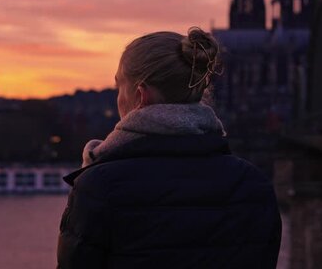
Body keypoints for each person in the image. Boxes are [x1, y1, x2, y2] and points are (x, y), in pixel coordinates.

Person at [57, 27, 282, 269]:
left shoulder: (99, 187)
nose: (118, 99)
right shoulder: (253, 184)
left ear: (141, 96)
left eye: (119, 88)